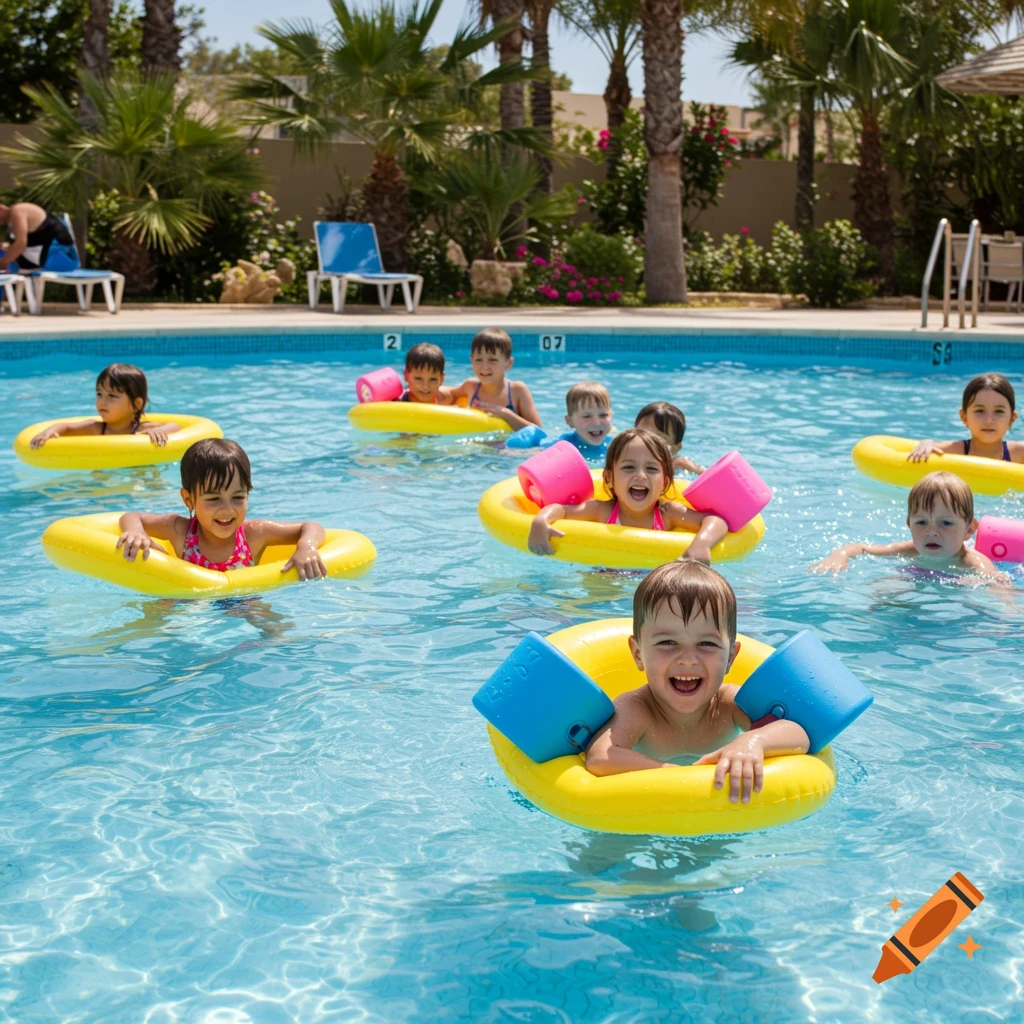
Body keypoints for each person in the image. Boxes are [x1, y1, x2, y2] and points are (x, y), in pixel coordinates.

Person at [584, 560, 810, 803]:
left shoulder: (730, 704)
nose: (688, 660)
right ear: (638, 654)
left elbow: (798, 734)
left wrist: (752, 742)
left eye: (707, 644)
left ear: (731, 657)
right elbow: (601, 758)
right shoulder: (637, 709)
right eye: (667, 643)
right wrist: (678, 775)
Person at [116, 438, 328, 579]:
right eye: (214, 499)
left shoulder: (255, 534)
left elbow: (311, 526)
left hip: (244, 605)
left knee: (274, 631)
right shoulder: (179, 530)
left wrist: (306, 546)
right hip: (188, 603)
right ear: (188, 499)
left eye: (237, 497)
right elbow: (132, 516)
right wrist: (136, 532)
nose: (227, 509)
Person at [527, 428, 728, 563]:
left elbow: (716, 521)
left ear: (665, 482)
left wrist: (701, 544)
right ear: (609, 478)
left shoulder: (668, 514)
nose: (640, 475)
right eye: (629, 467)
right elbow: (561, 510)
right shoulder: (602, 511)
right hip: (604, 580)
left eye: (651, 469)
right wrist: (540, 521)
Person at [810, 471, 1009, 583]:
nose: (932, 532)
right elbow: (862, 548)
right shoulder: (909, 550)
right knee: (881, 587)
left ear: (969, 529)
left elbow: (1000, 583)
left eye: (946, 523)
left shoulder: (972, 562)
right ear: (909, 525)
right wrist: (839, 555)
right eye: (921, 522)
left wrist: (981, 583)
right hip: (916, 585)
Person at [29, 363, 180, 448]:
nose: (102, 401)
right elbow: (66, 427)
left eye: (112, 396)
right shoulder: (97, 428)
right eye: (99, 394)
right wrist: (47, 433)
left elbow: (175, 427)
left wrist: (159, 431)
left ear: (136, 404)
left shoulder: (142, 430)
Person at [908, 373, 1023, 464]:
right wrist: (926, 443)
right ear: (964, 417)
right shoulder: (956, 452)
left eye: (999, 411)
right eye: (979, 411)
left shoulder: (1018, 453)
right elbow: (927, 445)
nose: (989, 420)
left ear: (1012, 419)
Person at [445, 328, 541, 429]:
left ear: (508, 364)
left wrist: (505, 413)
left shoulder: (516, 390)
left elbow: (537, 430)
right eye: (478, 359)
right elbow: (450, 392)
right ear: (471, 360)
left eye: (492, 360)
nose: (484, 367)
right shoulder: (471, 386)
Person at [0, 201, 76, 271]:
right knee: (8, 253)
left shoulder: (16, 212)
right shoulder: (16, 213)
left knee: (11, 256)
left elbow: (20, 244)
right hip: (57, 254)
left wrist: (3, 263)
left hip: (62, 257)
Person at [635, 401, 705, 475]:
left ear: (675, 448)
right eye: (642, 434)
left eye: (658, 439)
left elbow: (707, 476)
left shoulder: (679, 465)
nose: (647, 442)